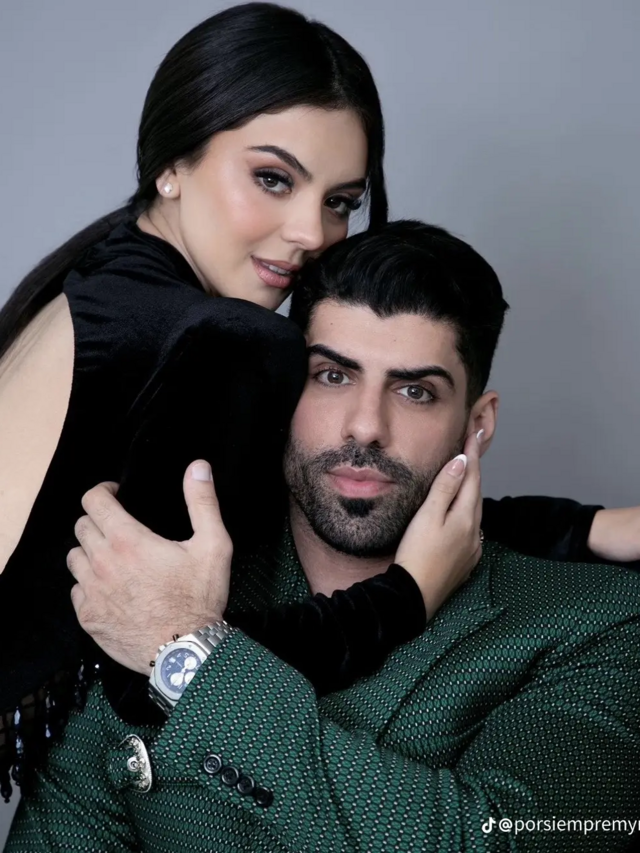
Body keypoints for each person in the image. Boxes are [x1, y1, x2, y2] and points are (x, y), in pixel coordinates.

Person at [0, 0, 638, 804]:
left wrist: (578, 528)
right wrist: (404, 598)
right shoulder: (224, 341)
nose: (311, 232)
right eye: (273, 179)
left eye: (340, 201)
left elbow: (348, 487)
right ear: (171, 163)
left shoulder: (96, 285)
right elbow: (160, 674)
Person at [8, 220, 640, 853]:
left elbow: (498, 843)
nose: (365, 427)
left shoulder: (602, 623)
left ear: (477, 424)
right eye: (333, 376)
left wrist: (188, 659)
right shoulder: (153, 579)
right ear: (283, 384)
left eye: (415, 391)